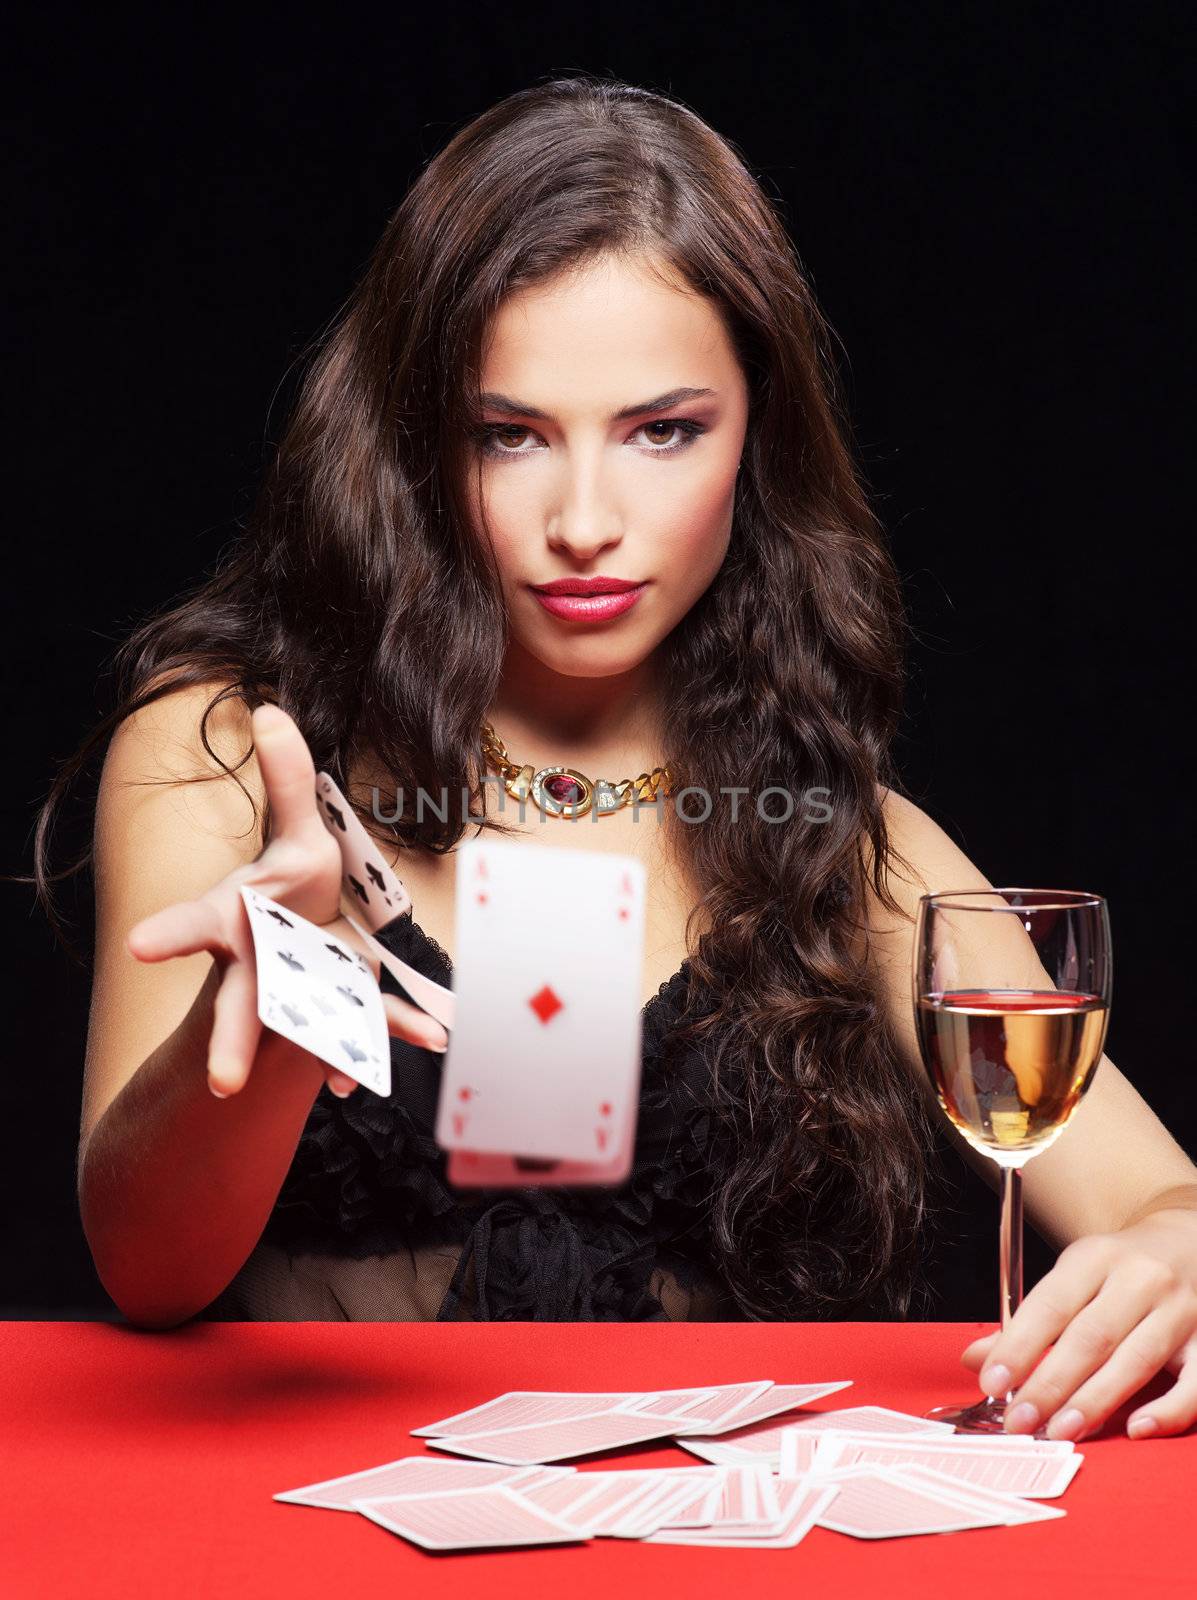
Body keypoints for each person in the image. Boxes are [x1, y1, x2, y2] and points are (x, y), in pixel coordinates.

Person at [31, 77, 1197, 1442]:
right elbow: (146, 1273)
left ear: (755, 433)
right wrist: (292, 1015)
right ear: (413, 440)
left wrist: (1172, 1259)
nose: (584, 518)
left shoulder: (837, 838)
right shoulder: (232, 756)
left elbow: (1154, 1201)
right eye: (508, 432)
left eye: (661, 430)